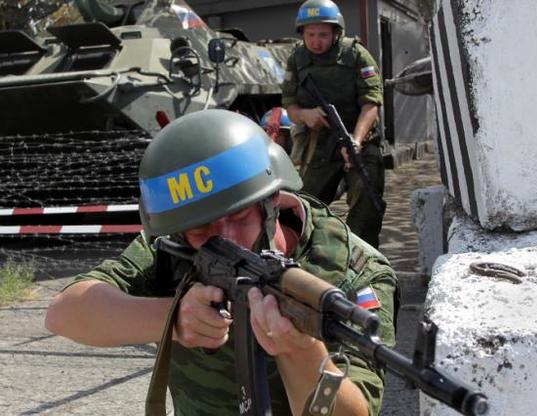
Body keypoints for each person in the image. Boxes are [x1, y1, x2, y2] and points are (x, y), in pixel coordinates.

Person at [44, 109, 398, 416]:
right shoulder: (175, 246)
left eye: (240, 216)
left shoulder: (355, 271)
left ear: (272, 199)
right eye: (202, 228)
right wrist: (174, 318)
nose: (225, 238)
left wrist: (301, 351)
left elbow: (356, 411)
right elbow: (64, 313)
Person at [281, 0, 386, 249]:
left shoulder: (356, 55)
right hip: (319, 143)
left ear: (336, 32)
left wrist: (355, 141)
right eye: (310, 35)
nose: (316, 41)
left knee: (367, 200)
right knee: (303, 204)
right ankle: (305, 253)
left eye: (323, 35)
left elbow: (371, 103)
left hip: (359, 139)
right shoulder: (297, 59)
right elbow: (290, 105)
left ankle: (361, 254)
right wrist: (305, 115)